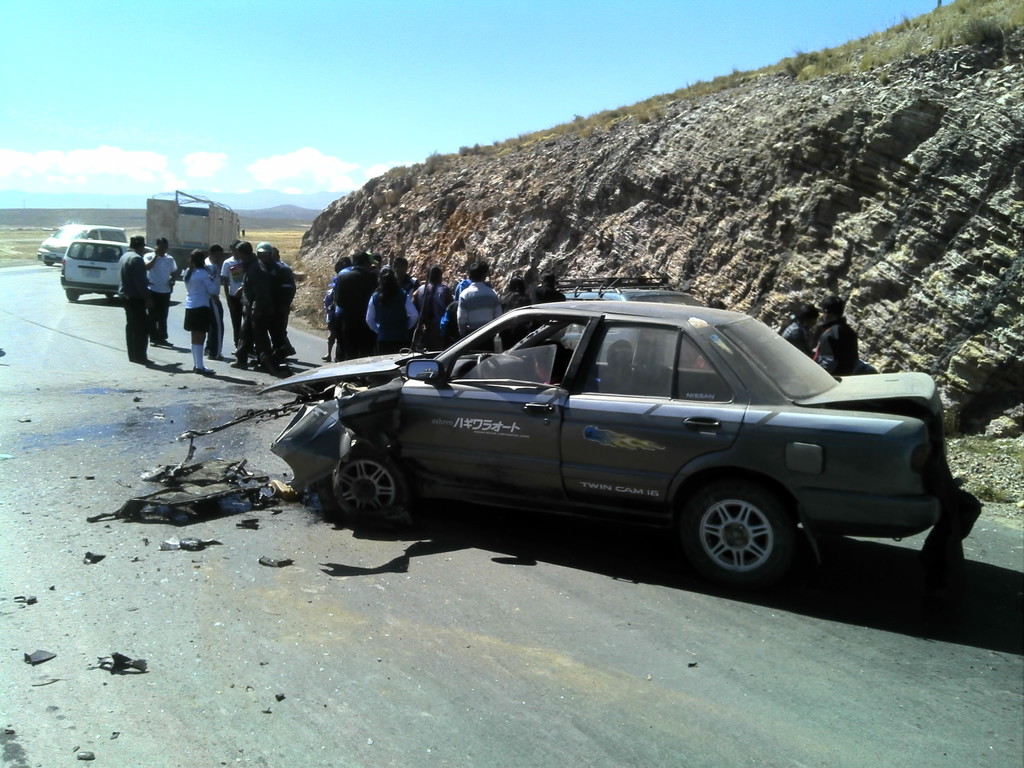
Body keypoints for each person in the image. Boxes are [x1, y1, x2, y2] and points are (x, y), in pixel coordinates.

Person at [333, 250, 378, 360]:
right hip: (367, 322)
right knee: (365, 352)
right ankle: (363, 376)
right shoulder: (373, 278)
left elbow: (338, 300)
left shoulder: (343, 277)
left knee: (350, 352)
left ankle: (350, 376)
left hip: (348, 321)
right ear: (366, 263)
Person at [182, 249, 220, 374]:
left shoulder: (188, 272)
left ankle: (197, 364)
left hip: (190, 306)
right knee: (200, 336)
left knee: (194, 337)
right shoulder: (203, 273)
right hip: (201, 306)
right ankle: (199, 366)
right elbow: (213, 290)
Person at [367, 267, 419, 354]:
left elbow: (369, 319)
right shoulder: (402, 294)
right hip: (401, 336)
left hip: (383, 337)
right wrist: (407, 327)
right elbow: (414, 315)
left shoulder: (375, 297)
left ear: (379, 280)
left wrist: (378, 330)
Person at [118, 235, 153, 364]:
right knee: (141, 328)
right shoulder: (137, 259)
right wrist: (148, 298)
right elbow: (139, 282)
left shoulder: (124, 257)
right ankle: (140, 355)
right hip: (136, 297)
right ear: (141, 246)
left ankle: (133, 355)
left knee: (131, 326)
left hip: (126, 296)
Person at [145, 237, 178, 346]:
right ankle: (153, 338)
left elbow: (174, 271)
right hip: (153, 290)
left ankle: (162, 337)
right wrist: (156, 255)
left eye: (165, 247)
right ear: (157, 247)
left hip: (165, 291)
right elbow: (147, 267)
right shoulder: (149, 256)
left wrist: (172, 280)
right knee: (153, 315)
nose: (164, 249)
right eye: (161, 247)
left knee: (163, 316)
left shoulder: (170, 259)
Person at [814, 295, 859, 376]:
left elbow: (828, 362)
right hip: (847, 378)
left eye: (823, 312)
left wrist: (815, 377)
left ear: (826, 312)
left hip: (831, 379)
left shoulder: (829, 334)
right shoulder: (851, 332)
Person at [457, 261, 503, 336]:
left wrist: (463, 334)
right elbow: (498, 315)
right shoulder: (492, 293)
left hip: (471, 336)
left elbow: (461, 318)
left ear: (470, 277)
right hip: (489, 334)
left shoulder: (464, 295)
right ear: (484, 276)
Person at [412, 265, 453, 351]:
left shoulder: (419, 291)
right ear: (440, 277)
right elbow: (451, 310)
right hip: (440, 331)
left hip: (424, 330)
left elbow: (414, 312)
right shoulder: (444, 290)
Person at [269, 247, 296, 362]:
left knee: (280, 329)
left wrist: (286, 304)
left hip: (281, 305)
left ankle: (281, 351)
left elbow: (291, 288)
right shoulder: (267, 267)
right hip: (270, 304)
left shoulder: (284, 269)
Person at [324, 255, 352, 361]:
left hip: (339, 312)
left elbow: (337, 296)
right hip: (348, 312)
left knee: (335, 335)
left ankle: (336, 357)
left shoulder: (341, 276)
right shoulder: (352, 274)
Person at [221, 240, 246, 350]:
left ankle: (247, 345)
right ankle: (237, 344)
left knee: (246, 323)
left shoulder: (245, 261)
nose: (235, 253)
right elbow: (225, 281)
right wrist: (228, 298)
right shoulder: (227, 263)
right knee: (236, 322)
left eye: (237, 250)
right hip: (234, 296)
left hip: (245, 296)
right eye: (233, 250)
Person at [205, 244, 227, 360]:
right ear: (212, 254)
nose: (220, 258)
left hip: (210, 298)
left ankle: (209, 348)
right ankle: (215, 352)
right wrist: (213, 296)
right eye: (218, 255)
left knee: (211, 326)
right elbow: (209, 283)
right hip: (212, 298)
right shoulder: (210, 266)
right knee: (218, 326)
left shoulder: (212, 264)